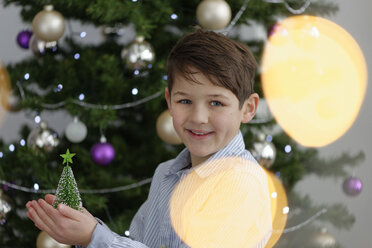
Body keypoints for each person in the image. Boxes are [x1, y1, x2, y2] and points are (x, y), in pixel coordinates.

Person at [26, 28, 272, 248]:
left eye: (216, 103)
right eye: (185, 101)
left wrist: (94, 236)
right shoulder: (165, 175)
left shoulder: (241, 184)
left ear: (248, 108)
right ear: (169, 101)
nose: (198, 117)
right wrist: (84, 230)